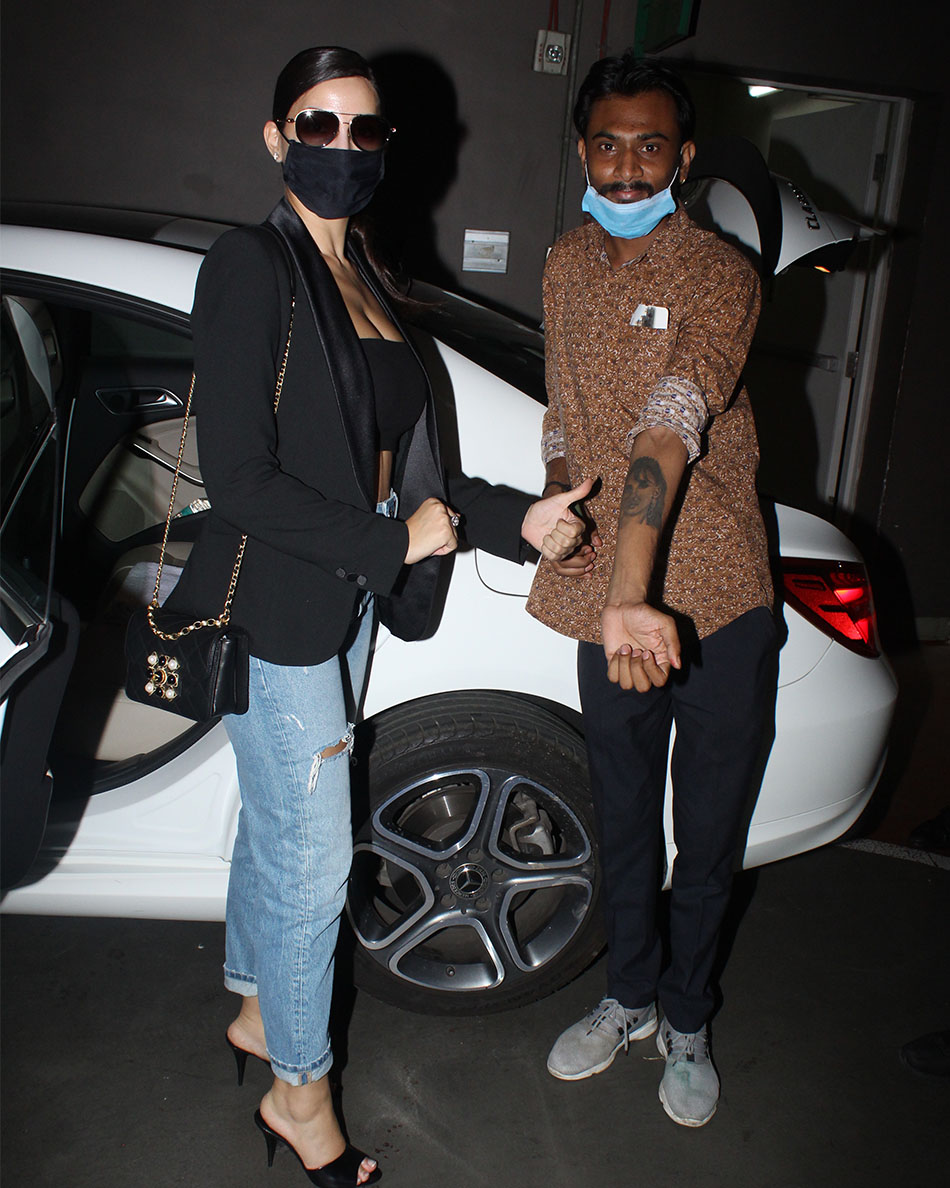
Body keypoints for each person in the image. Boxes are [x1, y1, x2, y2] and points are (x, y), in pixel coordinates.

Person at [165, 46, 589, 1186]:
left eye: (365, 130)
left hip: (343, 601)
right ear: (276, 137)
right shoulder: (251, 266)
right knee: (312, 865)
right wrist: (386, 545)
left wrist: (518, 520)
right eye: (319, 124)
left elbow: (412, 474)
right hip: (280, 606)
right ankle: (299, 1095)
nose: (342, 148)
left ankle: (258, 1014)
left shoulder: (365, 274)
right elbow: (239, 477)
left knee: (278, 830)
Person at [526, 53, 777, 1128]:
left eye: (650, 146)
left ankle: (685, 1016)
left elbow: (670, 422)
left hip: (716, 601)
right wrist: (560, 493)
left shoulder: (720, 274)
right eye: (607, 145)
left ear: (682, 158)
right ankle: (627, 995)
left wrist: (635, 592)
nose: (626, 167)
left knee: (706, 830)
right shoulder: (562, 263)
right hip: (607, 599)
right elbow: (562, 407)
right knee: (623, 815)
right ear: (582, 152)